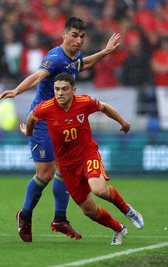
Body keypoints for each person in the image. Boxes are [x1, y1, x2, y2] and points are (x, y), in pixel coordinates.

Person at [0, 17, 121, 242]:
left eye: (82, 36)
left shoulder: (74, 57)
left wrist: (106, 51)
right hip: (43, 121)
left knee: (64, 168)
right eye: (74, 35)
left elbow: (84, 64)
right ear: (63, 34)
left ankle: (60, 219)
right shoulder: (54, 58)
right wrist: (15, 91)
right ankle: (24, 215)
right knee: (44, 173)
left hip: (61, 121)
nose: (79, 40)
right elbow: (37, 77)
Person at [20, 73, 144, 245]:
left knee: (99, 189)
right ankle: (119, 229)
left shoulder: (84, 102)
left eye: (64, 89)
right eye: (57, 89)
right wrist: (29, 132)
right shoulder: (46, 108)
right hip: (66, 165)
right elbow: (32, 117)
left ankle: (127, 209)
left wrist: (123, 122)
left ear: (73, 90)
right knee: (88, 210)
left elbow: (104, 107)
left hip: (87, 154)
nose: (60, 93)